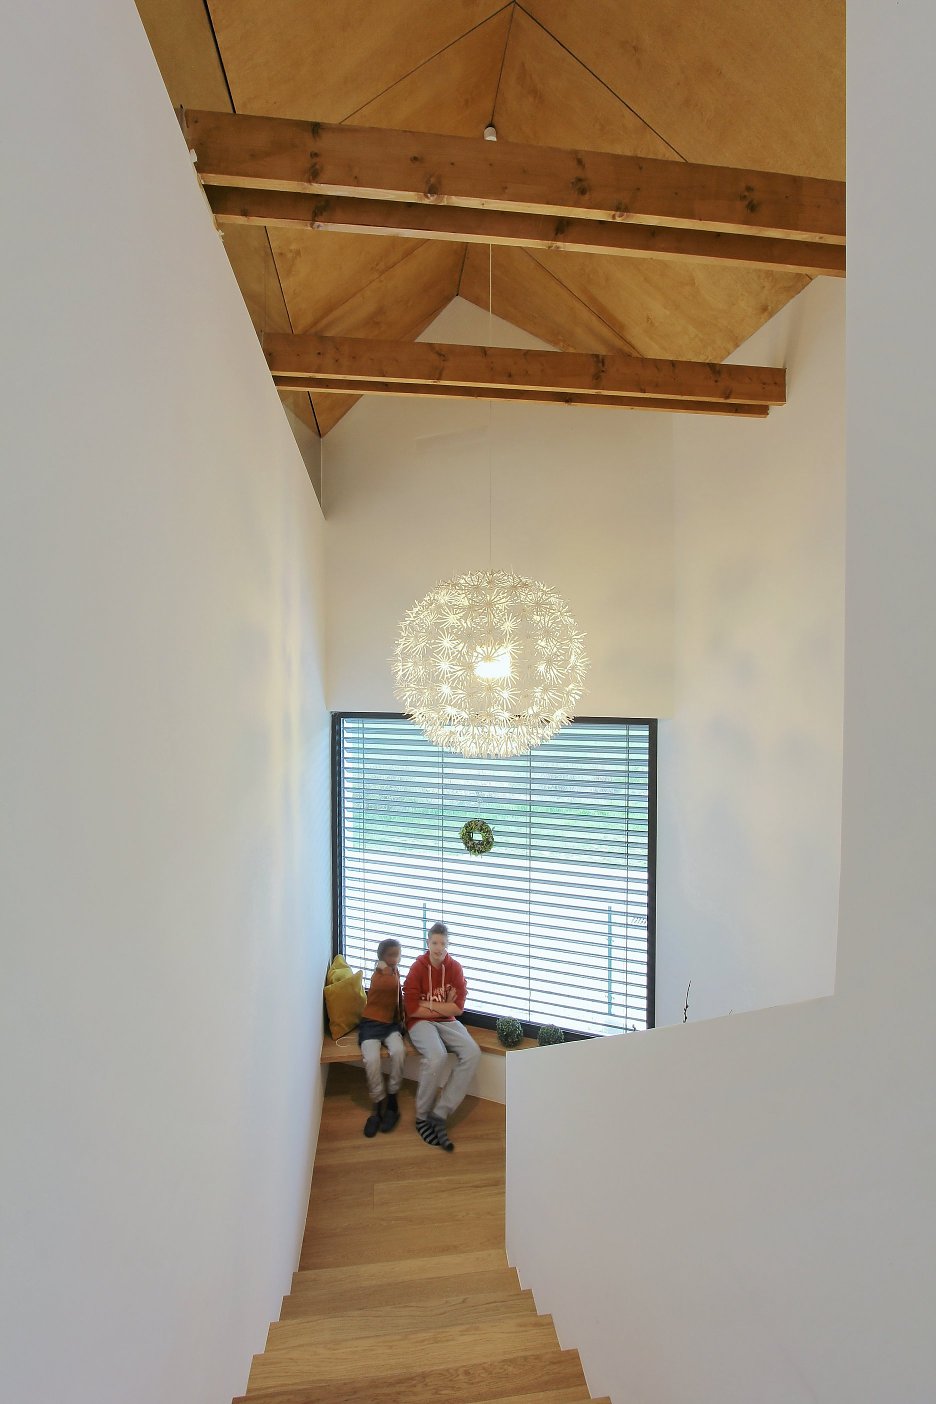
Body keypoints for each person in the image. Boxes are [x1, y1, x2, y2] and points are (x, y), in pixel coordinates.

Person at [403, 921, 480, 1151]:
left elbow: (458, 1008)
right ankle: (422, 1117)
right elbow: (411, 1009)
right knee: (437, 1056)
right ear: (428, 943)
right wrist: (442, 1006)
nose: (438, 948)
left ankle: (439, 1114)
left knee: (472, 1052)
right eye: (435, 943)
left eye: (443, 943)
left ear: (448, 945)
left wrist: (428, 1004)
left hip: (448, 1021)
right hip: (419, 1022)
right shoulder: (418, 967)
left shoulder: (454, 968)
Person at [358, 938, 406, 1137]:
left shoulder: (395, 971)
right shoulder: (380, 974)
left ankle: (392, 1099)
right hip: (371, 1023)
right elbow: (386, 984)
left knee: (399, 1052)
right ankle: (377, 1103)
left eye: (397, 955)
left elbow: (398, 996)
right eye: (390, 955)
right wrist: (382, 967)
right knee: (371, 1059)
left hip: (391, 1025)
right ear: (382, 956)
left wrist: (402, 1019)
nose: (395, 958)